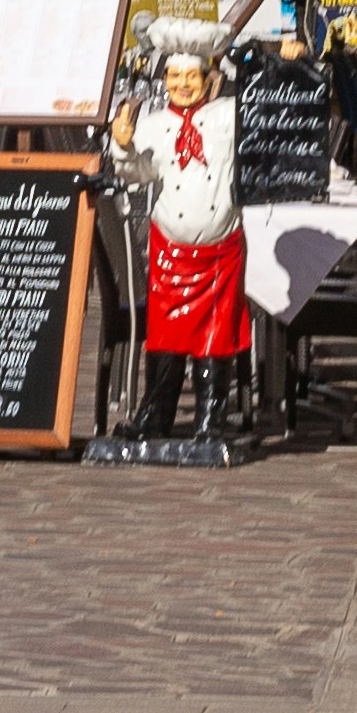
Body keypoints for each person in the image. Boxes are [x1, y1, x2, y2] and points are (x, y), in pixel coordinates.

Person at [112, 28, 249, 431]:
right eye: (175, 77)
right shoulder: (153, 125)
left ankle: (210, 419)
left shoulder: (228, 116)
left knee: (215, 337)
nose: (183, 86)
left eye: (192, 77)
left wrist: (286, 60)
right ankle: (155, 417)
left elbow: (273, 112)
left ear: (209, 79)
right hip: (171, 251)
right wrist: (123, 147)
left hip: (220, 252)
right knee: (165, 335)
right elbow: (136, 173)